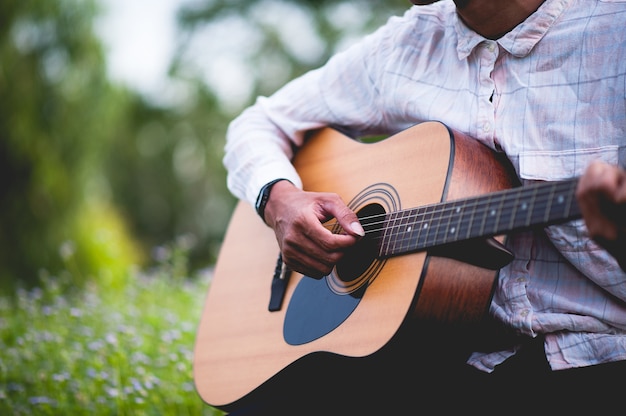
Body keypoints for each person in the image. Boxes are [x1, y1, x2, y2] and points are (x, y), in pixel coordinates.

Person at [222, 0, 626, 414]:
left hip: (601, 357)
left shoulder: (614, 31)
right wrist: (280, 198)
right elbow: (257, 123)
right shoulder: (408, 44)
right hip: (447, 353)